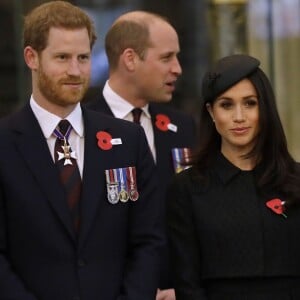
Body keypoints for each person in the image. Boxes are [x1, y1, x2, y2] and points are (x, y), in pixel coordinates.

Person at [0, 2, 165, 300]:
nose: (75, 71)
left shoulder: (128, 141)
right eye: (62, 57)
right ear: (31, 57)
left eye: (83, 57)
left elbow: (149, 241)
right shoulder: (4, 144)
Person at [166, 54, 300, 300]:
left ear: (265, 108)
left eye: (250, 103)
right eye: (226, 105)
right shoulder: (187, 189)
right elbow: (188, 284)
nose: (239, 117)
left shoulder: (295, 180)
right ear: (211, 112)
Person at [85, 11, 197, 300]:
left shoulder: (182, 128)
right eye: (166, 58)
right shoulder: (82, 128)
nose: (178, 68)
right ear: (130, 59)